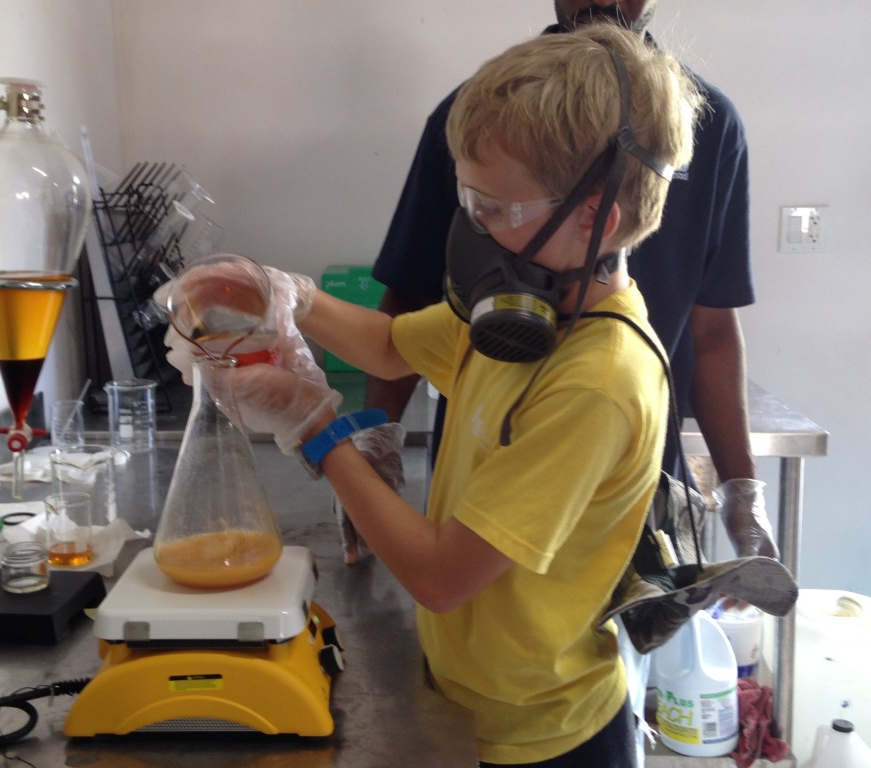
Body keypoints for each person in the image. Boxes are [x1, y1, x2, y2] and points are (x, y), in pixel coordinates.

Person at [167, 23, 702, 765]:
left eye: (496, 211)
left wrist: (314, 426)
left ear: (595, 219)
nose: (472, 231)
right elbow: (390, 345)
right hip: (470, 700)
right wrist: (282, 293)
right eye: (467, 201)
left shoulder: (598, 380)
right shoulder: (522, 316)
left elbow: (441, 575)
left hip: (545, 736)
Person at [364, 0, 778, 564]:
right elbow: (406, 303)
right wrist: (374, 441)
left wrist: (741, 493)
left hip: (628, 496)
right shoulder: (483, 116)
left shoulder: (711, 127)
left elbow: (711, 331)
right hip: (485, 481)